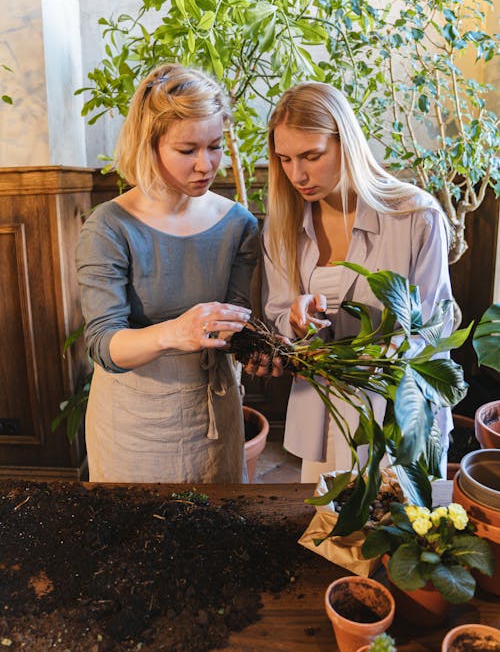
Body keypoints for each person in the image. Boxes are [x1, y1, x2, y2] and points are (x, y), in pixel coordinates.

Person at [259, 81, 453, 483]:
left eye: (312, 155)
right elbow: (278, 314)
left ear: (345, 142)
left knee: (404, 532)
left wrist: (384, 354)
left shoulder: (415, 216)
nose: (298, 174)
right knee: (329, 532)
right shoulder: (282, 226)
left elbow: (436, 324)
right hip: (323, 410)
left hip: (400, 410)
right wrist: (295, 321)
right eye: (285, 159)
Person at [76, 63, 258, 483]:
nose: (205, 165)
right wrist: (176, 333)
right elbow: (104, 344)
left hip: (214, 410)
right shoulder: (109, 227)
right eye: (187, 149)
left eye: (214, 146)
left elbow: (235, 320)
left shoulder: (238, 224)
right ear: (150, 145)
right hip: (133, 422)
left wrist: (265, 345)